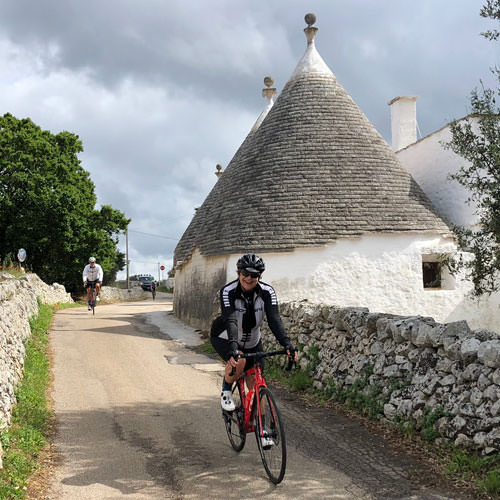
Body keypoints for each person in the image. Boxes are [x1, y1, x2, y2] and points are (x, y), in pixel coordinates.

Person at [210, 253, 297, 418]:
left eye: (254, 275)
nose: (249, 278)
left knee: (256, 384)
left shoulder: (267, 292)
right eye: (245, 274)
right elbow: (231, 320)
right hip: (224, 336)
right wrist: (234, 348)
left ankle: (262, 429)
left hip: (253, 341)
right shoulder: (228, 291)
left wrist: (287, 345)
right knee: (240, 360)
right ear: (238, 273)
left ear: (260, 276)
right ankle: (226, 391)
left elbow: (274, 320)